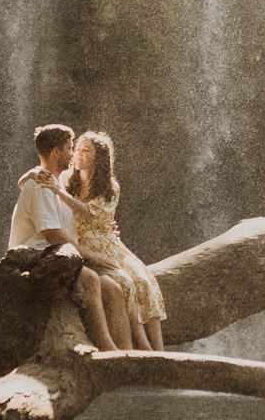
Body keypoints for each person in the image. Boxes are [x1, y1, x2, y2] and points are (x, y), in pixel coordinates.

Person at [26, 129, 167, 352]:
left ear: (98, 158)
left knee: (144, 280)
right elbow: (39, 175)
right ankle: (141, 347)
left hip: (108, 243)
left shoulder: (109, 187)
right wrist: (29, 176)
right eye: (76, 148)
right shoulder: (64, 180)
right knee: (125, 283)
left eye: (85, 150)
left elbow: (92, 214)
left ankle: (158, 350)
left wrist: (59, 193)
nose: (77, 153)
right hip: (81, 244)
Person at [9, 123, 133, 351]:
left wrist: (106, 231)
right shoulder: (40, 185)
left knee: (114, 289)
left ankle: (129, 354)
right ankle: (107, 349)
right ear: (55, 152)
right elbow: (52, 235)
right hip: (34, 258)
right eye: (69, 147)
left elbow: (73, 221)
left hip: (60, 255)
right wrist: (93, 257)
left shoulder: (55, 183)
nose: (73, 152)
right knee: (91, 279)